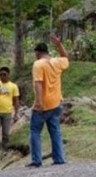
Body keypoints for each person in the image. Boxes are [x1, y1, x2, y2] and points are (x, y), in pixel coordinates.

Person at [28, 34, 69, 167]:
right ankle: (59, 158)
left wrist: (39, 102)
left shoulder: (38, 64)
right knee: (55, 131)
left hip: (43, 104)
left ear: (38, 53)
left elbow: (38, 83)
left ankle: (36, 160)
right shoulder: (57, 62)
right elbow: (66, 58)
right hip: (56, 103)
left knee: (35, 131)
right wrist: (58, 44)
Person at [0, 66, 19, 152]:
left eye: (4, 74)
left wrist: (16, 113)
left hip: (7, 112)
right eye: (1, 75)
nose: (2, 76)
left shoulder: (13, 86)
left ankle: (5, 147)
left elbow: (16, 100)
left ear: (8, 75)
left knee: (6, 133)